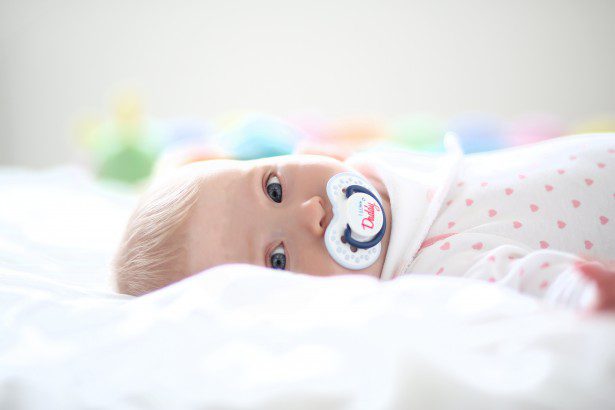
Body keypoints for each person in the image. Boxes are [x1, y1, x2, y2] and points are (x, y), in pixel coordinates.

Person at [113, 133, 615, 312]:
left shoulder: (372, 171)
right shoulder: (428, 272)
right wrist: (580, 292)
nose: (311, 212)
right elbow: (520, 281)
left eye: (274, 189)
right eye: (279, 260)